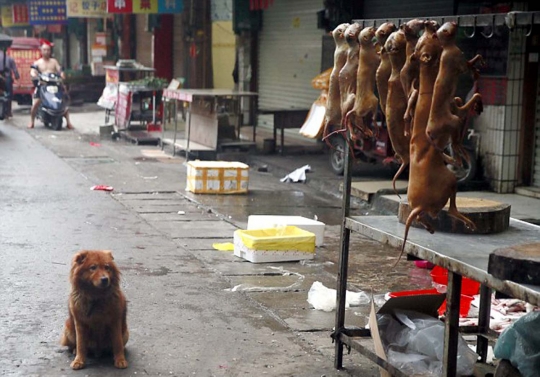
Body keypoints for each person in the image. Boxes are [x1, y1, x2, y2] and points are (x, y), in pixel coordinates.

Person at [28, 42, 74, 129]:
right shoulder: (38, 62)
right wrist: (34, 74)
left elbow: (59, 70)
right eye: (44, 50)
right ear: (41, 51)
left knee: (63, 102)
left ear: (50, 51)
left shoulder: (54, 61)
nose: (46, 51)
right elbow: (33, 70)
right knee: (36, 103)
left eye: (48, 50)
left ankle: (68, 122)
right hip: (43, 85)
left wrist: (62, 74)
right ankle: (31, 121)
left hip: (55, 84)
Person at [0, 50, 20, 118]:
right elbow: (15, 70)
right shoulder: (10, 58)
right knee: (9, 95)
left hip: (4, 78)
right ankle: (8, 112)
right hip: (7, 78)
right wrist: (17, 77)